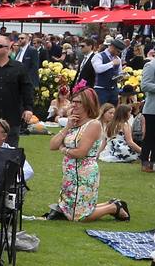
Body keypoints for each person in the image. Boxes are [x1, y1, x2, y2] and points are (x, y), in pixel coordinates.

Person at [47, 86, 129, 222]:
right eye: (73, 101)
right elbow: (52, 145)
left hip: (84, 173)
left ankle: (113, 207)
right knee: (71, 211)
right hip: (70, 173)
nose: (74, 104)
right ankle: (110, 204)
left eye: (78, 102)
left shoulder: (93, 124)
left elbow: (81, 152)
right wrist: (67, 127)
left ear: (88, 104)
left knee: (79, 217)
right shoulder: (73, 122)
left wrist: (63, 149)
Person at [92, 36, 126, 108]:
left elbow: (119, 72)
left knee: (112, 111)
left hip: (113, 90)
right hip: (101, 89)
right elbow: (98, 69)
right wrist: (112, 63)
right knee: (100, 110)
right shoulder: (98, 56)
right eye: (117, 51)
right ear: (112, 47)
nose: (118, 54)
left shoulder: (118, 59)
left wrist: (121, 76)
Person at [142, 51, 155, 172]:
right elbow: (145, 85)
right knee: (150, 137)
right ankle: (146, 162)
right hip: (152, 109)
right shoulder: (150, 65)